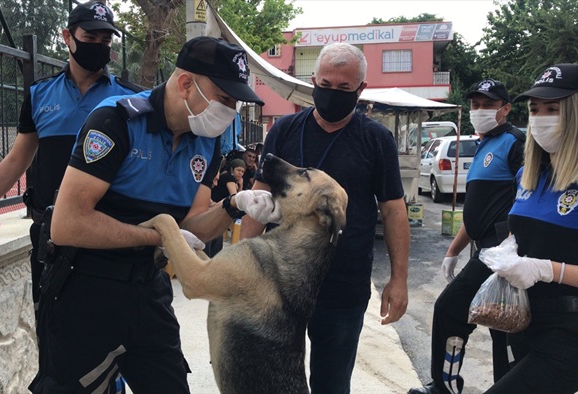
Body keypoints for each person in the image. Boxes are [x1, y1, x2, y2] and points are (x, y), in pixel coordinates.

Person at [31, 36, 280, 393]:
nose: (230, 110)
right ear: (185, 84)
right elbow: (68, 224)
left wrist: (233, 206)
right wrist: (162, 235)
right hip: (85, 290)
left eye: (235, 102)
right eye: (224, 98)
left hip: (148, 288)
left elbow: (193, 222)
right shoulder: (115, 121)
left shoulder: (205, 141)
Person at [0, 1, 142, 309]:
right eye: (90, 38)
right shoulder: (39, 95)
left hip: (110, 237)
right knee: (53, 336)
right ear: (67, 37)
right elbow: (18, 159)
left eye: (106, 41)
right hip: (52, 239)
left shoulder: (130, 98)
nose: (99, 46)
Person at [240, 42, 410, 394]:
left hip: (342, 286)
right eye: (326, 85)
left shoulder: (375, 140)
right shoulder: (285, 130)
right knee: (271, 377)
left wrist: (399, 280)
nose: (333, 94)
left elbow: (393, 209)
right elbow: (258, 198)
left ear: (360, 90)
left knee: (331, 383)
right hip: (280, 281)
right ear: (314, 81)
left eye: (344, 89)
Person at [409, 79, 525, 394]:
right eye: (475, 104)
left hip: (502, 254)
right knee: (503, 326)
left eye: (488, 104)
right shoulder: (485, 144)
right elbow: (477, 212)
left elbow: (527, 198)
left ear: (506, 109)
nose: (479, 111)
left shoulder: (516, 143)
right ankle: (456, 384)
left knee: (452, 311)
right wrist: (452, 251)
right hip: (483, 251)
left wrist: (511, 250)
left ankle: (445, 388)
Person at [480, 63, 578, 394]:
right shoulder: (529, 173)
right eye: (535, 109)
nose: (540, 118)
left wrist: (545, 269)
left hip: (568, 332)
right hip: (522, 321)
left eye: (553, 108)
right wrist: (507, 251)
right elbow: (520, 232)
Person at [205, 158, 246, 257]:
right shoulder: (229, 178)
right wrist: (241, 186)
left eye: (242, 171)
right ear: (232, 169)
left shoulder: (223, 175)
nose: (240, 173)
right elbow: (235, 198)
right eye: (238, 170)